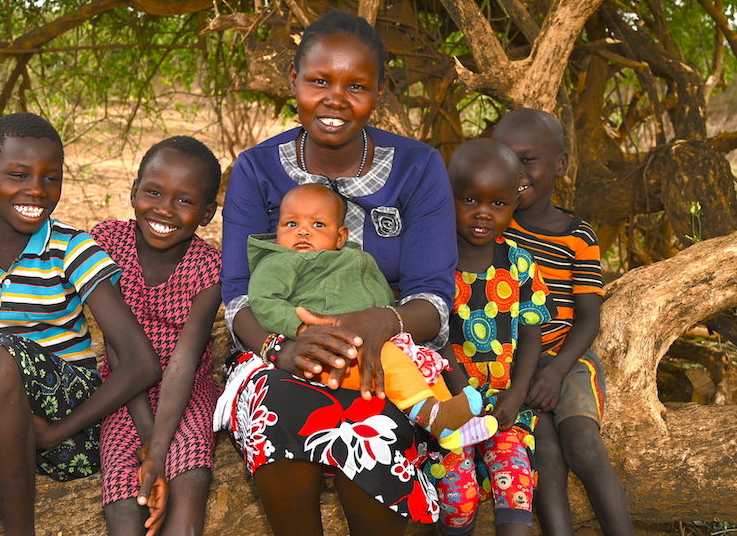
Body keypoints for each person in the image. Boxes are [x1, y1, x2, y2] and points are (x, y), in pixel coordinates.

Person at [218, 10, 457, 535]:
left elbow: (435, 297)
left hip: (387, 347)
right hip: (279, 347)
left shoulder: (418, 168)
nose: (335, 99)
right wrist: (281, 347)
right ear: (293, 82)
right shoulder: (258, 170)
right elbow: (238, 298)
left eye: (357, 86)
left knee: (376, 429)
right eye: (319, 81)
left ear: (380, 91)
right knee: (280, 413)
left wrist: (381, 321)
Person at [0, 113, 161, 536]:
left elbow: (141, 363)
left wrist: (54, 431)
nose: (37, 190)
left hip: (65, 429)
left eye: (51, 178)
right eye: (19, 174)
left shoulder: (71, 247)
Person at [247, 183, 493, 449]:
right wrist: (302, 328)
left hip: (375, 338)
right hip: (329, 349)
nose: (303, 231)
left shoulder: (356, 259)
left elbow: (381, 297)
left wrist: (393, 322)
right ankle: (434, 416)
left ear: (340, 237)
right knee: (391, 361)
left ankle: (450, 424)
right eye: (291, 224)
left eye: (318, 225)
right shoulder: (280, 262)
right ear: (278, 230)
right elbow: (264, 301)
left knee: (422, 364)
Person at [492, 108, 634, 535]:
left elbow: (590, 318)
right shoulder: (493, 225)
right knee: (545, 457)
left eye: (528, 159)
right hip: (511, 364)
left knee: (582, 445)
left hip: (567, 359)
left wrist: (554, 371)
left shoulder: (578, 234)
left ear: (560, 165)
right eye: (506, 158)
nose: (516, 171)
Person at [90, 136, 223, 536]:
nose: (164, 209)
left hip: (188, 388)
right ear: (133, 193)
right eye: (153, 192)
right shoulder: (106, 243)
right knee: (123, 493)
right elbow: (118, 349)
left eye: (184, 200)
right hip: (122, 388)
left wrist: (160, 447)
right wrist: (148, 442)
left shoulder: (209, 267)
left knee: (190, 475)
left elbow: (185, 360)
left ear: (206, 212)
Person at [434, 138, 553, 536]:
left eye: (498, 204)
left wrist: (517, 394)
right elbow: (434, 337)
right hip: (449, 408)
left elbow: (533, 333)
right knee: (458, 493)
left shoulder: (519, 262)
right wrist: (461, 400)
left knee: (516, 486)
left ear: (514, 203)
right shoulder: (435, 264)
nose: (483, 214)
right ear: (447, 198)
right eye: (469, 200)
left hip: (505, 406)